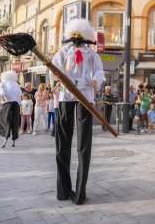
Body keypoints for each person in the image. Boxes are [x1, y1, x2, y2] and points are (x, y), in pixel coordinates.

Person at [51, 18, 104, 205]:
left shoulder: (91, 54)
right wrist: (59, 78)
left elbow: (99, 71)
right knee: (62, 143)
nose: (77, 43)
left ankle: (80, 192)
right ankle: (63, 190)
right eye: (74, 39)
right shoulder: (63, 52)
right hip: (67, 95)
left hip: (86, 97)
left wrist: (94, 81)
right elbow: (53, 69)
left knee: (84, 145)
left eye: (79, 39)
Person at [0, 70, 22, 148]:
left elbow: (0, 92)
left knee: (3, 119)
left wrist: (2, 97)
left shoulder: (3, 82)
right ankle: (14, 137)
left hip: (7, 102)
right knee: (15, 120)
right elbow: (19, 94)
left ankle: (5, 135)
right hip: (16, 103)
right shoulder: (16, 84)